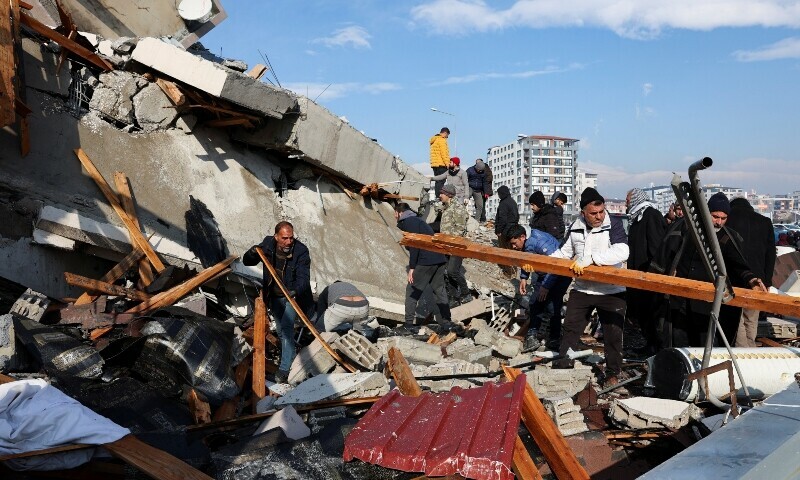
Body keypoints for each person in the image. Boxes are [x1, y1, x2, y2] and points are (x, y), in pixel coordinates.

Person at [653, 193, 766, 347]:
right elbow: (668, 252)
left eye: (723, 218)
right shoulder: (689, 229)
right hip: (680, 301)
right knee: (679, 343)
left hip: (706, 304)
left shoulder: (728, 237)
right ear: (707, 213)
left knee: (703, 344)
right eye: (715, 217)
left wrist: (752, 280)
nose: (719, 222)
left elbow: (738, 264)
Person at [550, 187, 630, 389]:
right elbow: (563, 253)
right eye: (593, 213)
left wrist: (592, 260)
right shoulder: (575, 227)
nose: (599, 216)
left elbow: (622, 251)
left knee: (613, 337)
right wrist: (538, 264)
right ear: (583, 213)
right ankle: (563, 368)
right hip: (583, 289)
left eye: (601, 211)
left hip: (612, 291)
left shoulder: (614, 224)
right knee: (570, 329)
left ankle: (612, 374)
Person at [243, 221, 312, 383]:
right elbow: (248, 261)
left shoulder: (301, 251)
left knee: (287, 330)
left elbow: (304, 279)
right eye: (285, 238)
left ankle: (283, 369)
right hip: (273, 296)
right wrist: (252, 252)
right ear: (276, 237)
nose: (288, 242)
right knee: (280, 331)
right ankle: (292, 355)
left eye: (291, 238)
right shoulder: (268, 244)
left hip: (291, 297)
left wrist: (293, 292)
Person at [394, 203, 456, 333]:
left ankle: (408, 325)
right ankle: (446, 323)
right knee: (439, 291)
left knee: (412, 291)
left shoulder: (409, 222)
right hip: (439, 259)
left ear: (399, 212)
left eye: (395, 213)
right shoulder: (418, 221)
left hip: (426, 260)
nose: (395, 217)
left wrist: (412, 267)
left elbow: (415, 245)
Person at [508, 224, 571, 351]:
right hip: (545, 274)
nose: (513, 247)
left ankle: (554, 339)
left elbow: (556, 265)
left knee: (553, 306)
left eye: (515, 243)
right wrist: (524, 278)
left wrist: (546, 286)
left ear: (522, 237)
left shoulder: (540, 242)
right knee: (535, 303)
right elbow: (527, 259)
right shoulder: (526, 243)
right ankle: (532, 335)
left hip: (561, 274)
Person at [726, 197, 776, 347]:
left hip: (734, 277)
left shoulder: (728, 220)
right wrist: (767, 282)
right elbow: (771, 254)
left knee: (736, 319)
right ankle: (750, 346)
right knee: (751, 319)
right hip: (758, 279)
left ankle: (743, 350)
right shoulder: (765, 222)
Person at [625, 188, 667, 356]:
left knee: (652, 313)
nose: (626, 203)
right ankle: (650, 345)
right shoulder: (637, 218)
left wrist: (653, 272)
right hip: (638, 275)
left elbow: (657, 248)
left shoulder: (651, 215)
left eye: (628, 200)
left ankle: (658, 349)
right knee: (643, 313)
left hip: (649, 276)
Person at [439, 183, 472, 306]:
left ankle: (466, 293)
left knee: (453, 271)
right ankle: (453, 298)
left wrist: (451, 242)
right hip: (446, 246)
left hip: (456, 246)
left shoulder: (458, 208)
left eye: (442, 193)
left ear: (448, 195)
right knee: (447, 272)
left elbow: (460, 229)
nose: (440, 195)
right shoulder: (446, 207)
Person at [494, 185, 519, 276]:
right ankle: (513, 270)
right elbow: (517, 216)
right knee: (511, 251)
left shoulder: (504, 203)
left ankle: (508, 272)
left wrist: (499, 230)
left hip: (505, 231)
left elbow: (502, 219)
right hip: (513, 230)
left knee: (504, 251)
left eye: (499, 194)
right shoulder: (512, 202)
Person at [429, 127, 450, 197]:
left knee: (437, 181)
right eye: (447, 136)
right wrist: (447, 164)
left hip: (435, 164)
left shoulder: (434, 140)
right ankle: (439, 197)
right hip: (441, 164)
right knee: (441, 181)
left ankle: (437, 196)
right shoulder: (441, 140)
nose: (447, 138)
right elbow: (444, 153)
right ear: (444, 133)